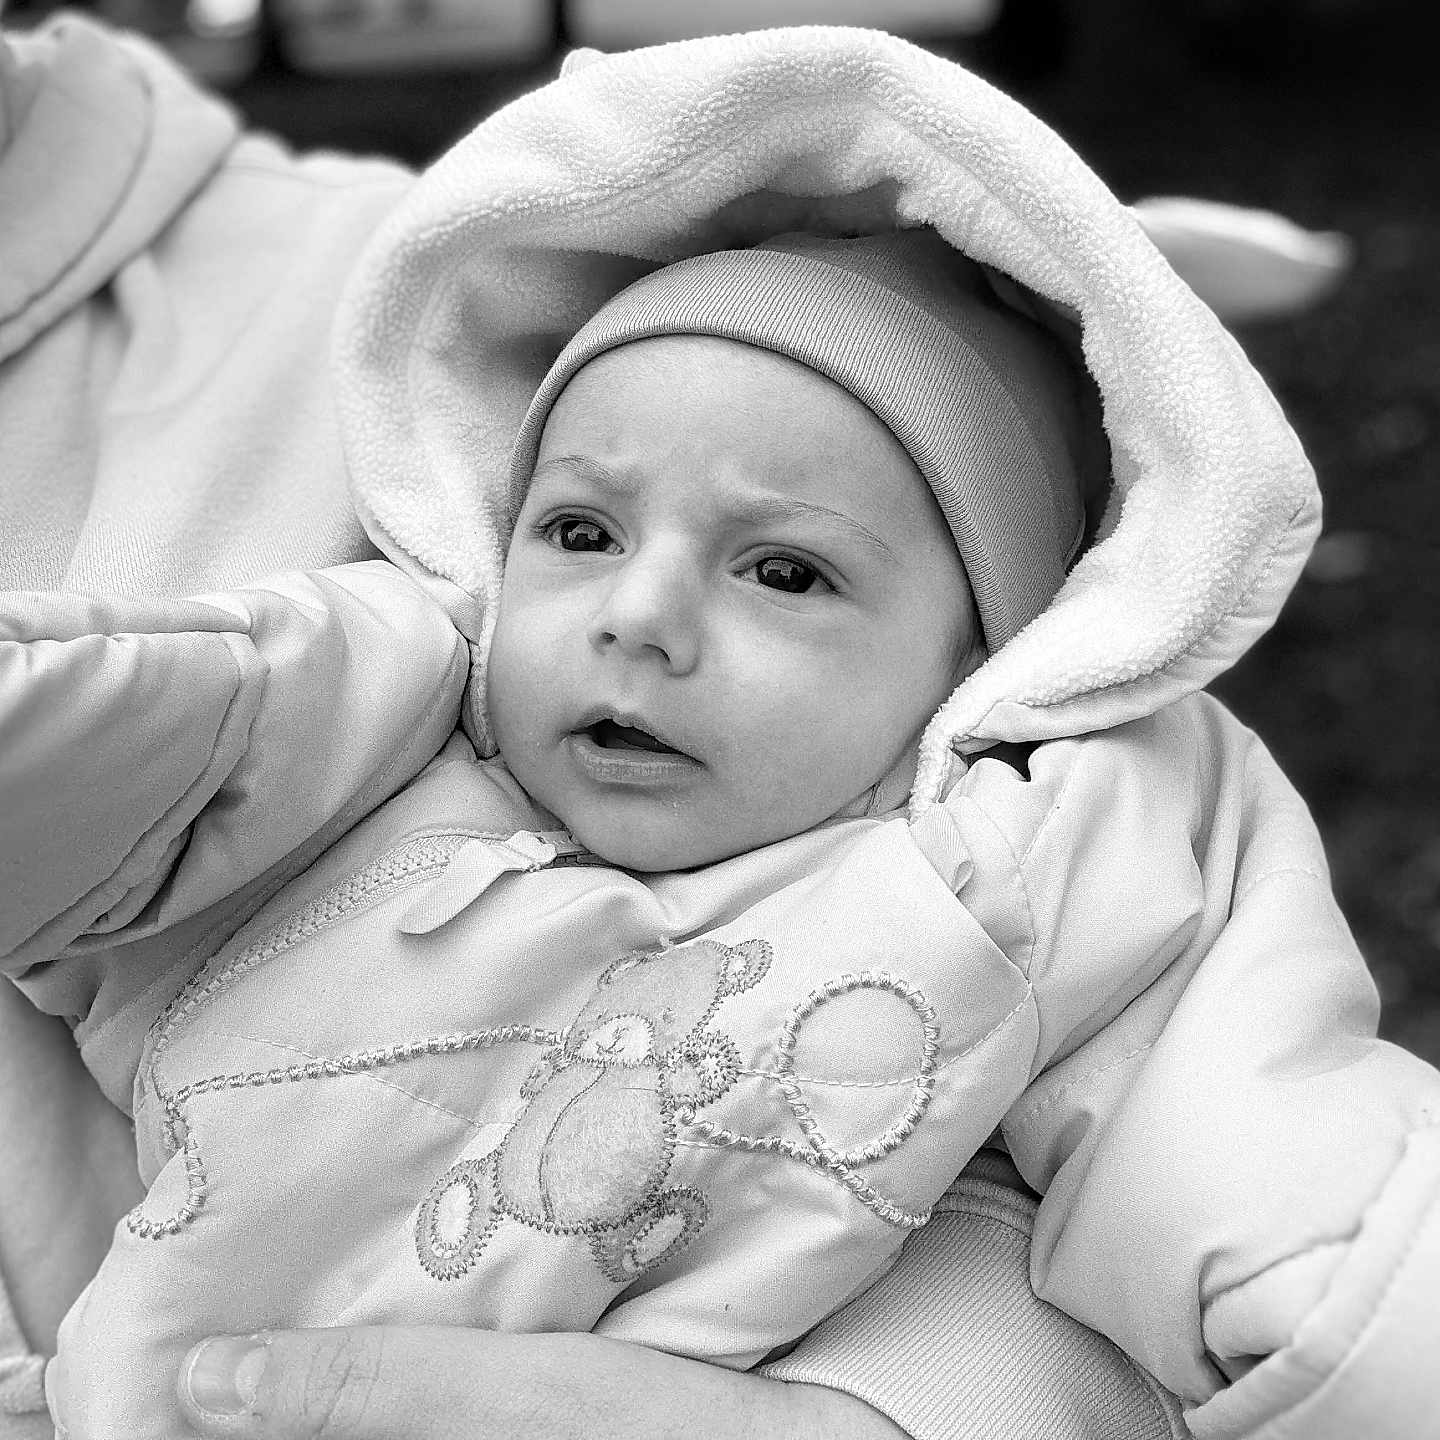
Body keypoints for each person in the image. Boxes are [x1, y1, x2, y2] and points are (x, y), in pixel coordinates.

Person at [0, 15, 1417, 1440]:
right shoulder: (371, 740)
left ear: (981, 662)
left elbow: (1268, 1152)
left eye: (784, 571)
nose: (642, 613)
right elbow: (134, 766)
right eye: (577, 529)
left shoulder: (1013, 874)